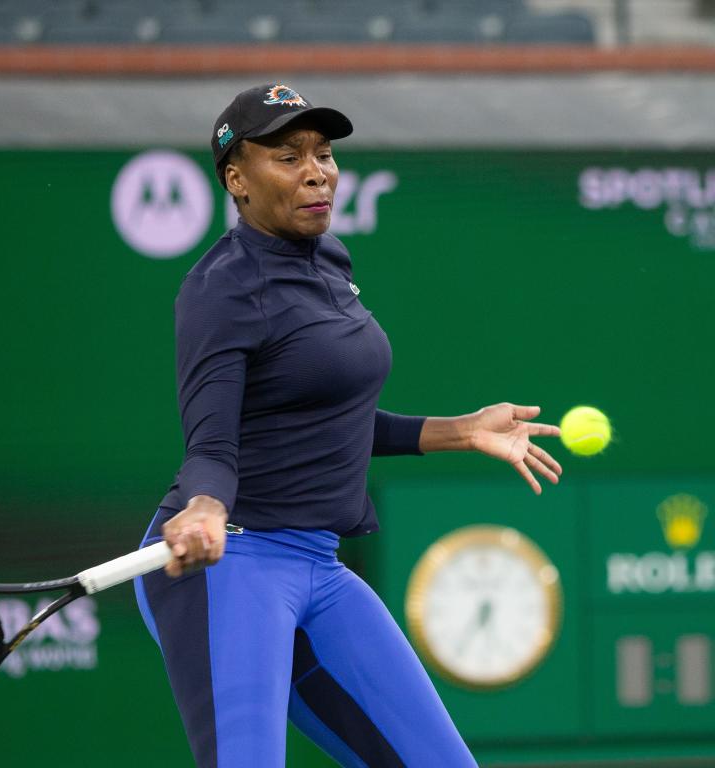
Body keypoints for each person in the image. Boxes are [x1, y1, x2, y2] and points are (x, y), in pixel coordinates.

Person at [134, 83, 562, 768]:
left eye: (324, 154)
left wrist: (462, 430)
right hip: (230, 564)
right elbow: (211, 445)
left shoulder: (328, 262)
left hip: (319, 567)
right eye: (286, 156)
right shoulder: (221, 289)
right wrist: (205, 506)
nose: (316, 171)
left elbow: (327, 420)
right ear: (237, 180)